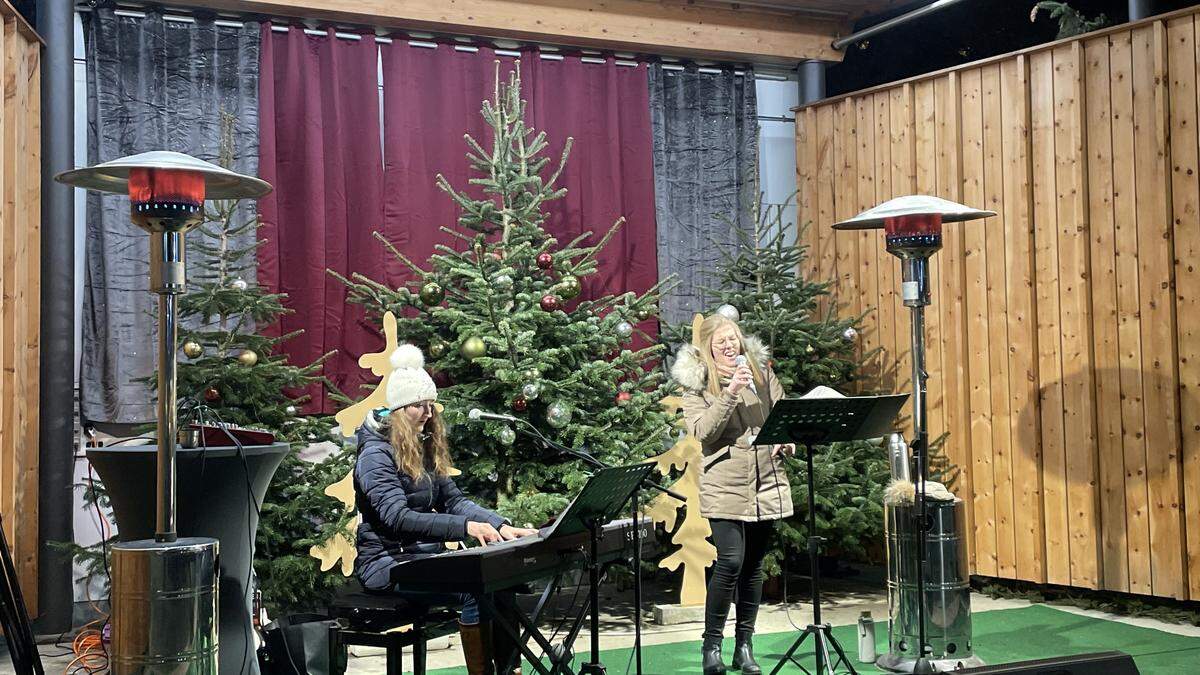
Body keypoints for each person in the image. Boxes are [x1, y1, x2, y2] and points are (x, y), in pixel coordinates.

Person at [354, 343, 538, 675]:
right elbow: (396, 517)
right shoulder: (375, 455)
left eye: (430, 405)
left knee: (501, 582)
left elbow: (455, 501)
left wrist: (500, 524)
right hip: (386, 564)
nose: (427, 413)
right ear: (398, 409)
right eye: (418, 406)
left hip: (424, 560)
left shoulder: (423, 447)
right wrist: (465, 528)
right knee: (473, 590)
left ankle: (509, 670)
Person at [672, 314, 795, 675]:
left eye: (734, 340)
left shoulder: (761, 373)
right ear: (709, 348)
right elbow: (704, 433)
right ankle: (711, 647)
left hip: (765, 480)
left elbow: (780, 415)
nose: (730, 347)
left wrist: (785, 439)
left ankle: (744, 645)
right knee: (730, 561)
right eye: (721, 342)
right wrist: (729, 394)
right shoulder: (697, 385)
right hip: (725, 482)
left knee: (754, 566)